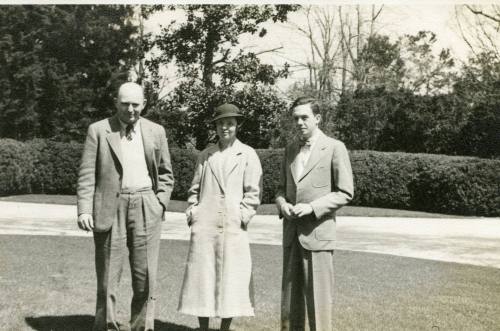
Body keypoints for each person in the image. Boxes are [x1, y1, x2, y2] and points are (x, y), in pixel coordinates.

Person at [76, 82, 174, 331]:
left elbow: (165, 174)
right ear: (116, 103)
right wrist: (85, 209)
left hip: (146, 206)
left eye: (135, 104)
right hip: (110, 208)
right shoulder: (98, 130)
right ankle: (106, 327)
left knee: (145, 278)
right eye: (125, 103)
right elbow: (87, 174)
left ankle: (141, 327)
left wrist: (159, 204)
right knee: (108, 278)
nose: (130, 109)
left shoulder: (156, 131)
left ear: (144, 104)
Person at [178, 103, 262, 331]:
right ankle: (203, 327)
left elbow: (253, 192)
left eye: (230, 123)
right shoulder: (206, 155)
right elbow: (194, 189)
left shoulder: (248, 155)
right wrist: (193, 211)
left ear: (237, 125)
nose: (226, 127)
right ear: (215, 126)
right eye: (221, 123)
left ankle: (225, 327)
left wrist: (243, 215)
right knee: (202, 279)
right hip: (205, 225)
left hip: (234, 226)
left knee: (232, 279)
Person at [275, 97, 354, 331]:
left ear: (318, 118)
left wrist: (312, 207)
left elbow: (345, 192)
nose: (299, 122)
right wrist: (282, 205)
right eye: (295, 118)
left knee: (318, 306)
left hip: (318, 237)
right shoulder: (289, 150)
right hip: (291, 236)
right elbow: (280, 189)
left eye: (304, 117)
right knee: (290, 307)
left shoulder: (334, 147)